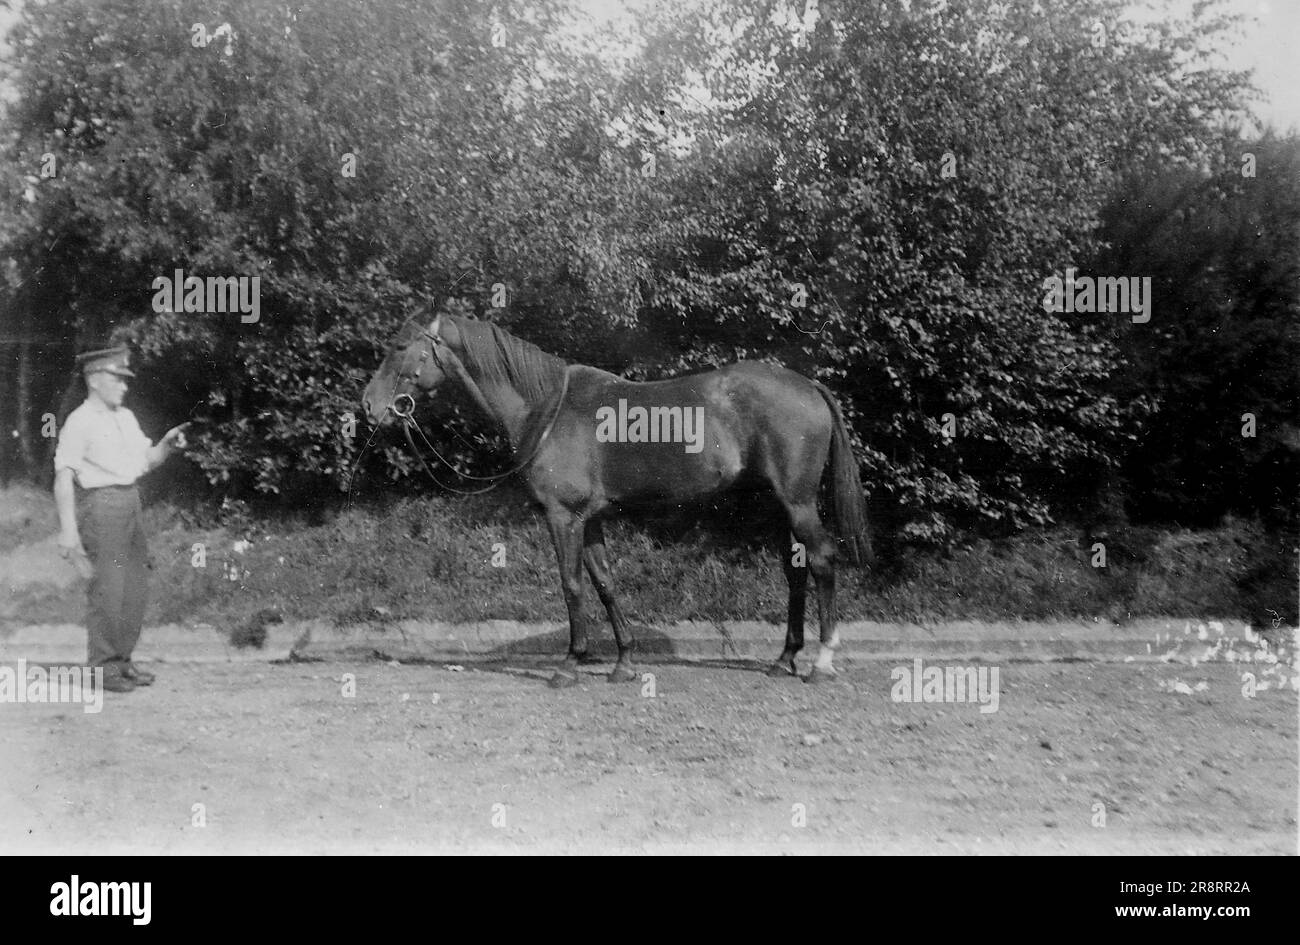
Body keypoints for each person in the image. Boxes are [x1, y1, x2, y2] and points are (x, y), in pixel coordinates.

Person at [52, 346, 188, 693]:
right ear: (95, 380)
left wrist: (167, 445)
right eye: (118, 379)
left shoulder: (125, 417)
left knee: (133, 588)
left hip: (131, 501)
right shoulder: (80, 421)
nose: (125, 386)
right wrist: (68, 532)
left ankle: (122, 661)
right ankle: (102, 667)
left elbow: (147, 459)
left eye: (126, 380)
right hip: (102, 505)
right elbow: (64, 476)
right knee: (108, 588)